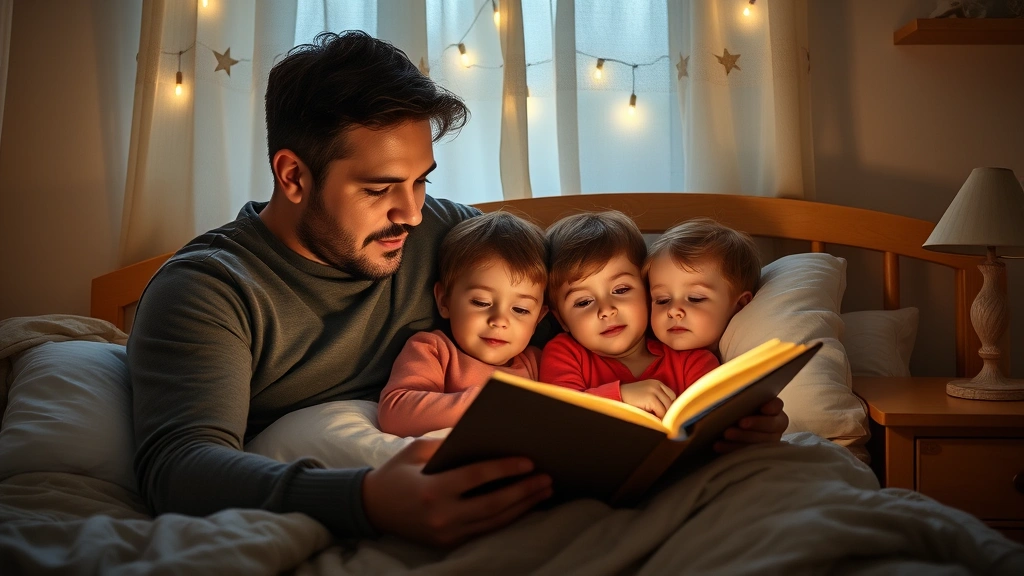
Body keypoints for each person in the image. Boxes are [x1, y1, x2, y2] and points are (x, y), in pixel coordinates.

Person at [127, 31, 552, 549]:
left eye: (422, 182)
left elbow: (572, 302)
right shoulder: (209, 291)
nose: (412, 213)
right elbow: (179, 468)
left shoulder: (447, 238)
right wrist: (367, 499)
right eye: (379, 189)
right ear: (293, 176)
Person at [539, 211, 787, 453]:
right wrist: (621, 396)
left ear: (647, 291)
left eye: (621, 290)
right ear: (562, 319)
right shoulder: (564, 352)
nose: (607, 310)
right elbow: (558, 417)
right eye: (583, 302)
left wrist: (752, 427)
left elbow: (718, 425)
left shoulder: (692, 360)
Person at [378, 211, 549, 438]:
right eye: (481, 302)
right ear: (444, 301)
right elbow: (395, 412)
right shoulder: (433, 350)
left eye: (520, 309)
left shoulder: (538, 363)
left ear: (538, 318)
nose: (499, 321)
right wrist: (488, 404)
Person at [643, 217, 761, 359]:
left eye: (695, 298)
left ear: (740, 305)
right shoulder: (640, 356)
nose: (673, 311)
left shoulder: (743, 353)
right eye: (662, 300)